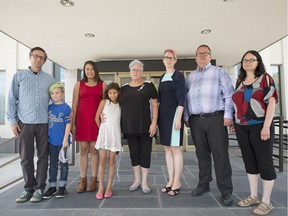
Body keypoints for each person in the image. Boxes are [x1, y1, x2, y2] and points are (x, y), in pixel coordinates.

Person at [184, 44, 234, 206]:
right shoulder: (190, 77)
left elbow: (229, 95)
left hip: (216, 119)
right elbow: (185, 99)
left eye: (205, 54)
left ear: (210, 56)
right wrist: (186, 117)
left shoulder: (219, 72)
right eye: (199, 54)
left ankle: (226, 191)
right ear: (195, 57)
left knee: (220, 155)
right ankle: (204, 184)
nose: (202, 56)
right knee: (201, 154)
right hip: (196, 120)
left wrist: (228, 115)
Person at [6, 47, 55, 203]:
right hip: (24, 123)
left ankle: (40, 188)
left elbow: (56, 99)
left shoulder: (50, 79)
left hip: (44, 123)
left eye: (41, 57)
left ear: (45, 61)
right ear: (30, 57)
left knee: (42, 157)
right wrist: (12, 121)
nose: (38, 59)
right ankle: (28, 188)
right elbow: (11, 99)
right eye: (35, 56)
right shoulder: (18, 76)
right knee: (26, 157)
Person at [232, 50, 278, 215]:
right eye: (245, 60)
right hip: (241, 126)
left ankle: (266, 201)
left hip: (260, 125)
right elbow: (237, 103)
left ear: (258, 62)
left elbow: (272, 103)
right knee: (249, 161)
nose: (248, 62)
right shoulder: (239, 80)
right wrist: (234, 119)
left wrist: (267, 126)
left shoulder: (266, 78)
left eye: (252, 59)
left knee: (264, 162)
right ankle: (253, 196)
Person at [120, 59, 158, 194]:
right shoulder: (123, 89)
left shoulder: (148, 86)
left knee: (145, 154)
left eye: (138, 70)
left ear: (142, 72)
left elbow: (154, 105)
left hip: (146, 127)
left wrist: (154, 124)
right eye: (133, 70)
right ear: (129, 71)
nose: (135, 72)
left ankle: (144, 182)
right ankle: (136, 180)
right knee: (134, 154)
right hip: (129, 128)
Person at [72, 60, 107, 193]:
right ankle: (83, 179)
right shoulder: (78, 85)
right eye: (87, 69)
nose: (90, 71)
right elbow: (74, 105)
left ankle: (94, 179)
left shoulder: (102, 84)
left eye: (92, 69)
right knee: (83, 149)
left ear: (96, 70)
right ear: (84, 70)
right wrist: (73, 123)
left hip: (96, 120)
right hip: (81, 119)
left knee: (94, 149)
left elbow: (106, 103)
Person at [158, 49, 185, 196]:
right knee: (167, 148)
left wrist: (179, 118)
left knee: (175, 149)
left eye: (171, 57)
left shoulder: (178, 76)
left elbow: (181, 98)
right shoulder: (162, 76)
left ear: (175, 60)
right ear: (163, 60)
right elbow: (160, 99)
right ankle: (170, 180)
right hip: (163, 116)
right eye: (166, 57)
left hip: (175, 115)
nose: (168, 59)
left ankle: (177, 181)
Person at [42, 83, 71, 199]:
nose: (54, 95)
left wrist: (65, 140)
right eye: (52, 93)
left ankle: (62, 186)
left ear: (62, 93)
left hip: (62, 142)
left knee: (63, 164)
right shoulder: (49, 108)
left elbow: (68, 124)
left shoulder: (66, 108)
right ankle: (52, 186)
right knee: (52, 165)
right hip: (51, 142)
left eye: (57, 93)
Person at [94, 83, 122, 200]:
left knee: (111, 161)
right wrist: (102, 128)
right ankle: (101, 187)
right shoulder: (104, 102)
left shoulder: (121, 105)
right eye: (110, 93)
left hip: (115, 135)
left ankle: (109, 186)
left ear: (118, 93)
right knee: (102, 160)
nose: (112, 95)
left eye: (115, 92)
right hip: (104, 134)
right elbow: (96, 118)